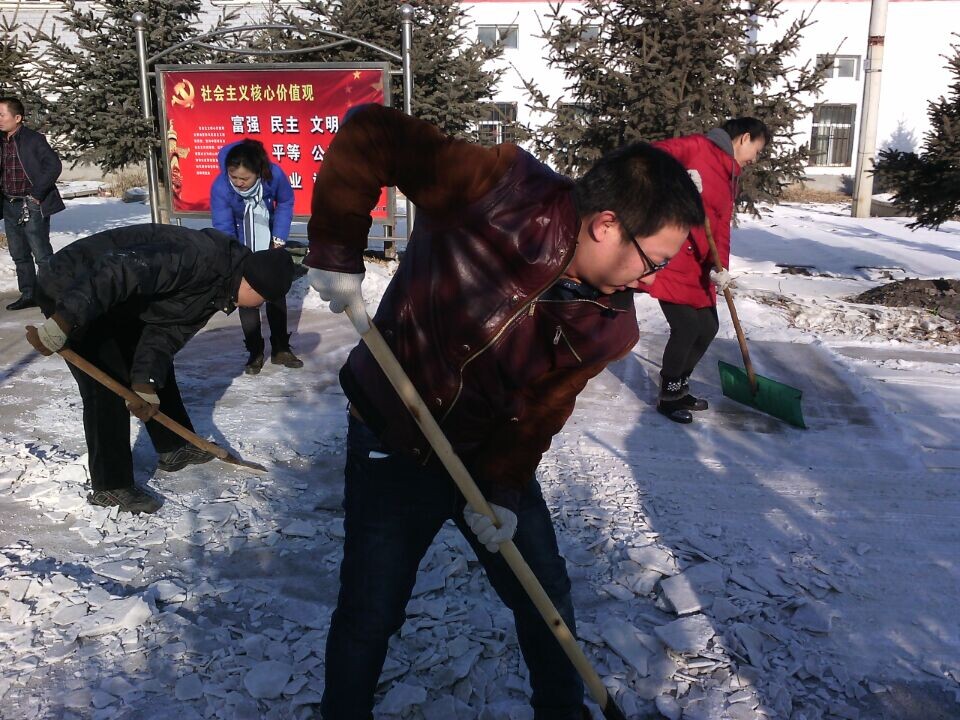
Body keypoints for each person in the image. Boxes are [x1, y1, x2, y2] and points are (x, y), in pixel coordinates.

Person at [305, 103, 704, 720]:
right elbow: (372, 132)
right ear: (605, 225)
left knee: (545, 598)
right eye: (651, 261)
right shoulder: (497, 189)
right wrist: (335, 246)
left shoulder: (610, 325)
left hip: (482, 459)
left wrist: (505, 493)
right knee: (370, 609)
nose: (652, 282)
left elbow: (540, 411)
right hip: (392, 441)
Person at [24, 224, 295, 515]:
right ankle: (110, 486)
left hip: (119, 300)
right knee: (106, 383)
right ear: (252, 285)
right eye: (263, 301)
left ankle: (174, 446)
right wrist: (65, 319)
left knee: (157, 367)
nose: (260, 307)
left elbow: (165, 335)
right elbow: (120, 270)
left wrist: (145, 385)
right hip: (74, 283)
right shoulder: (198, 259)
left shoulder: (221, 288)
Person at [648, 118, 771, 424]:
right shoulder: (696, 148)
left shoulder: (731, 174)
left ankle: (680, 386)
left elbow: (720, 227)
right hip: (673, 257)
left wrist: (722, 268)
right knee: (687, 327)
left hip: (701, 266)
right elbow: (646, 156)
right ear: (744, 138)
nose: (755, 158)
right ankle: (667, 395)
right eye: (757, 149)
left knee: (708, 327)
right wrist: (676, 179)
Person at [210, 138, 303, 374]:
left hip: (269, 238)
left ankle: (281, 348)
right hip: (240, 242)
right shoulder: (221, 187)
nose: (239, 183)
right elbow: (223, 225)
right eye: (234, 177)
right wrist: (236, 255)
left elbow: (285, 201)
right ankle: (255, 351)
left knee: (275, 292)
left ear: (258, 172)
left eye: (245, 178)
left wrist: (279, 237)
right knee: (245, 296)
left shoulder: (273, 175)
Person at [0, 96, 64, 311]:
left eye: (2, 115)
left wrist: (36, 194)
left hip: (32, 203)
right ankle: (28, 294)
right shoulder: (1, 140)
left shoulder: (33, 139)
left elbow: (53, 165)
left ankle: (53, 295)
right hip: (9, 203)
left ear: (17, 118)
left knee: (41, 253)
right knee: (18, 253)